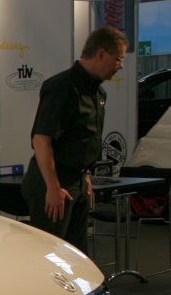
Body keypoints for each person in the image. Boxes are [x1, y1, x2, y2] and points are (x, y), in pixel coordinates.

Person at [21, 27, 128, 250]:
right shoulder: (62, 87)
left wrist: (85, 176)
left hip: (78, 182)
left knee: (77, 252)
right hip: (54, 182)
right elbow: (41, 140)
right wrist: (53, 187)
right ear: (101, 54)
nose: (121, 66)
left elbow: (84, 140)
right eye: (118, 59)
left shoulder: (98, 93)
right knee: (50, 251)